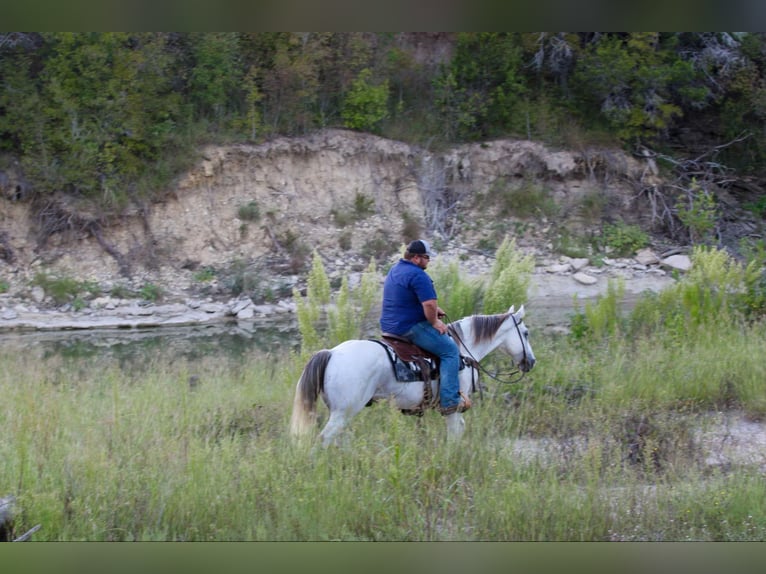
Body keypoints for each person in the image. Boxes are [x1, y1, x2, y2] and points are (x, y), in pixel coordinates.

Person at [380, 239, 470, 415]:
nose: (429, 260)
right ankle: (450, 401)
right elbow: (428, 304)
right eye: (427, 257)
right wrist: (435, 321)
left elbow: (408, 299)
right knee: (450, 351)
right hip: (409, 327)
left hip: (389, 326)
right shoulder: (418, 275)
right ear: (416, 258)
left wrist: (435, 310)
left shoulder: (395, 269)